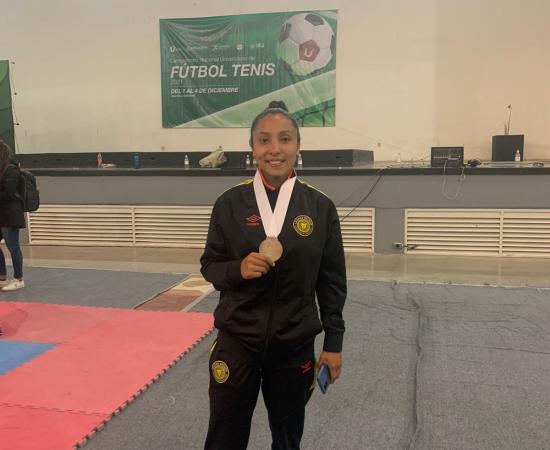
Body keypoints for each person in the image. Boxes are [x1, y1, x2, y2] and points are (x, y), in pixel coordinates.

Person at [200, 101, 346, 450]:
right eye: (264, 140)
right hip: (238, 342)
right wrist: (237, 269)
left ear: (298, 145)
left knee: (287, 439)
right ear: (252, 147)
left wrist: (333, 344)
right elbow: (210, 265)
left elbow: (331, 283)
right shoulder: (229, 203)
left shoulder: (320, 207)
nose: (275, 149)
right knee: (224, 439)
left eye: (285, 139)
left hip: (293, 345)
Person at [0, 140, 26, 291]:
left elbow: (8, 194)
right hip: (2, 212)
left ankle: (18, 278)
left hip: (11, 213)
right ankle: (2, 277)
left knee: (13, 246)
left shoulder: (11, 169)